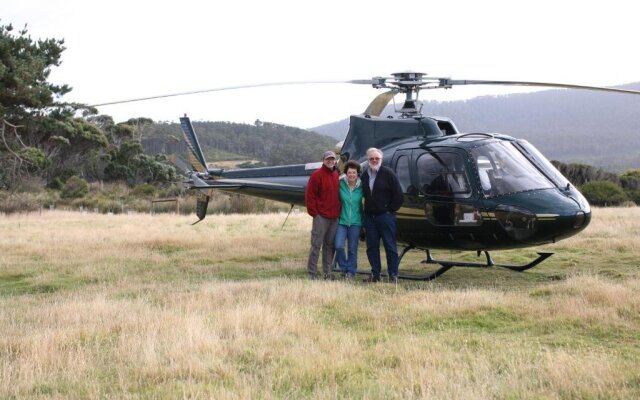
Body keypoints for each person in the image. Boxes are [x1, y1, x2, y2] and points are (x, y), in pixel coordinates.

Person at [360, 147, 404, 283]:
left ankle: (393, 275)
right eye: (371, 158)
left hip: (385, 217)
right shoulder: (365, 175)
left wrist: (389, 210)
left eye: (376, 158)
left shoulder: (388, 173)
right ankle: (375, 275)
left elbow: (398, 195)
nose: (374, 160)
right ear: (368, 160)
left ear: (381, 159)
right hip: (370, 218)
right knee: (372, 247)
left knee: (390, 246)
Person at [304, 150, 341, 280]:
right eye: (328, 159)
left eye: (332, 159)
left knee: (329, 246)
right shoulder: (316, 175)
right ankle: (312, 273)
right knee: (316, 245)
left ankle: (327, 273)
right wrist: (314, 213)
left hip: (334, 217)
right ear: (323, 160)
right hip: (321, 217)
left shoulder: (336, 174)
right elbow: (310, 195)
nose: (330, 161)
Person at [334, 160, 363, 280]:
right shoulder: (340, 183)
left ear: (357, 174)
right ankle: (345, 268)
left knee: (352, 249)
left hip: (356, 222)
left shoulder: (362, 187)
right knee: (339, 246)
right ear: (346, 173)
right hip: (342, 221)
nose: (351, 175)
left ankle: (351, 272)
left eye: (354, 173)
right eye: (349, 172)